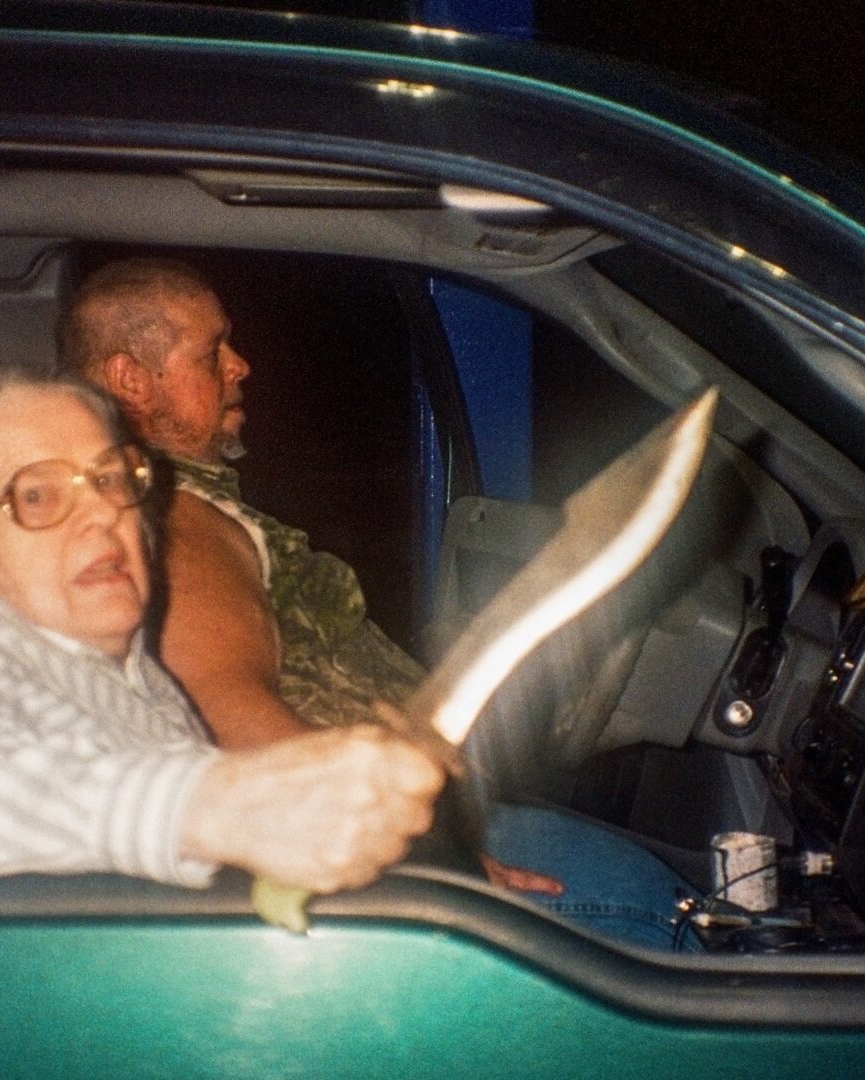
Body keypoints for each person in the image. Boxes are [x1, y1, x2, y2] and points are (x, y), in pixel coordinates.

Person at [59, 259, 703, 950]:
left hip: (408, 808)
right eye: (211, 351)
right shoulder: (176, 520)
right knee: (651, 904)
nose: (241, 365)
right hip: (374, 842)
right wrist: (425, 859)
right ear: (132, 380)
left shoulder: (183, 506)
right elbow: (219, 708)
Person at [0, 363, 444, 896]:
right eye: (37, 496)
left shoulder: (126, 670)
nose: (103, 511)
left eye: (109, 478)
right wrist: (222, 806)